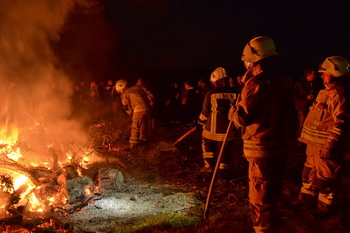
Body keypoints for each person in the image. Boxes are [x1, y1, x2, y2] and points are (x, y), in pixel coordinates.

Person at [228, 36, 293, 232]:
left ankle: (263, 229)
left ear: (253, 59)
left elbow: (242, 118)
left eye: (246, 60)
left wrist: (233, 110)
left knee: (260, 196)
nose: (245, 64)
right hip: (280, 144)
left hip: (261, 147)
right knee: (273, 192)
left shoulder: (256, 84)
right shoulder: (285, 80)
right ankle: (273, 222)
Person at [298, 56, 350, 219]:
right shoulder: (323, 92)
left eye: (325, 73)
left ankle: (325, 210)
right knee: (309, 174)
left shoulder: (340, 96)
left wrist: (330, 145)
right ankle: (306, 201)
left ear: (336, 73)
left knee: (326, 180)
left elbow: (342, 124)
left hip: (326, 147)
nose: (321, 76)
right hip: (313, 145)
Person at [197, 67, 237, 178]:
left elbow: (205, 113)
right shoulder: (236, 93)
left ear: (215, 81)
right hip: (228, 133)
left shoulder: (210, 93)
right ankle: (223, 173)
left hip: (211, 131)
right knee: (224, 152)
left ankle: (209, 167)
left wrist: (199, 123)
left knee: (207, 147)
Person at [115, 79, 151, 148]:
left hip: (138, 109)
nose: (119, 92)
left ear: (121, 87)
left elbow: (125, 105)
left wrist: (131, 114)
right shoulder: (136, 88)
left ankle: (133, 144)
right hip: (146, 108)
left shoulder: (125, 93)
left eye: (119, 91)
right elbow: (148, 95)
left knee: (135, 126)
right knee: (144, 123)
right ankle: (144, 139)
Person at [294, 68, 324, 144]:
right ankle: (299, 141)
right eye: (313, 74)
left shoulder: (315, 83)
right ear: (308, 75)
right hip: (301, 107)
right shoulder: (300, 83)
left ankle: (306, 140)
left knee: (309, 124)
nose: (315, 76)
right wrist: (305, 98)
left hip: (311, 107)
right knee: (301, 123)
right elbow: (294, 95)